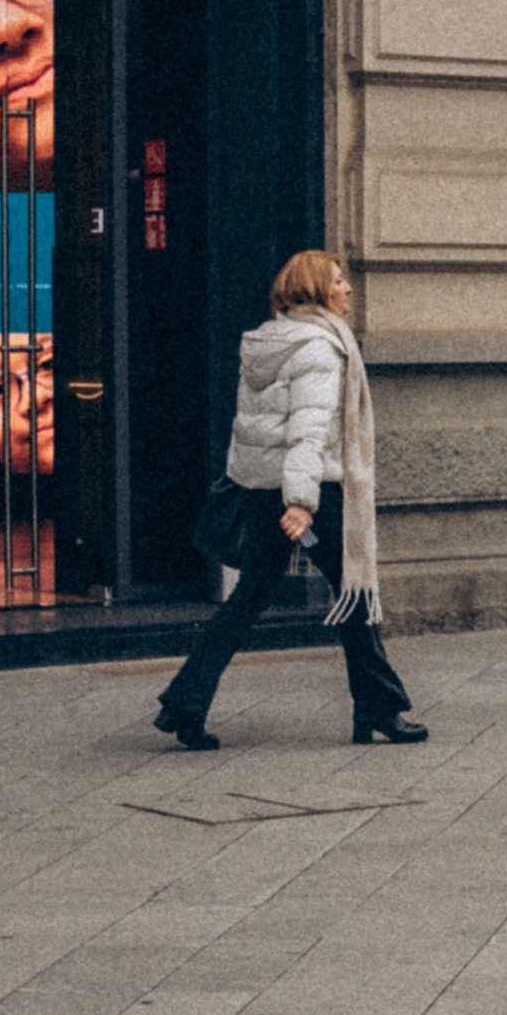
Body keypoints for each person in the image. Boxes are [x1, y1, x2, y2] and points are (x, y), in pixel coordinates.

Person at [153, 249, 425, 752]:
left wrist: (267, 488)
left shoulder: (268, 341)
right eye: (339, 281)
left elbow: (250, 430)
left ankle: (184, 702)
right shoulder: (318, 349)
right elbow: (306, 433)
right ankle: (380, 709)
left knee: (250, 596)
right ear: (317, 289)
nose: (349, 288)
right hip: (308, 493)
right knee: (355, 594)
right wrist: (301, 502)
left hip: (264, 490)